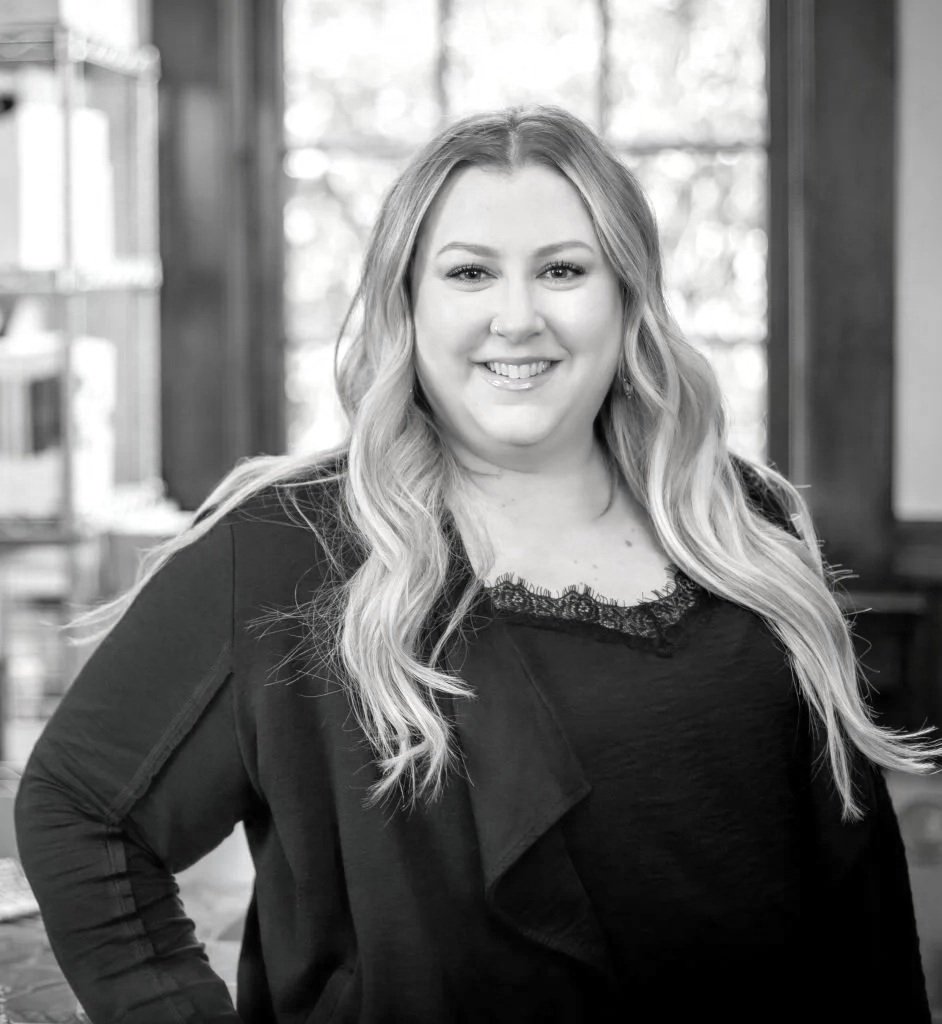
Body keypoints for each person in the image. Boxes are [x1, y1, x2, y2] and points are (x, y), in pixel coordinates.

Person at [14, 105, 939, 1024]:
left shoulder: (741, 518)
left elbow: (855, 883)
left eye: (564, 270)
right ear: (407, 302)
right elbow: (80, 810)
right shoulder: (287, 550)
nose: (518, 317)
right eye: (469, 273)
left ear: (628, 298)